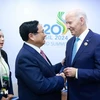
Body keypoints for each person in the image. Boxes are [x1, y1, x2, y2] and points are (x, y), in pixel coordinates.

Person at [15, 20, 66, 100]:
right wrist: (61, 79)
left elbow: (45, 71)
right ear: (31, 36)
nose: (45, 35)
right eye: (42, 32)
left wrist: (61, 64)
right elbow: (40, 85)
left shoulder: (33, 52)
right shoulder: (25, 57)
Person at [63, 9, 100, 100]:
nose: (67, 27)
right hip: (72, 95)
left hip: (90, 96)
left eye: (70, 23)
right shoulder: (70, 42)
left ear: (81, 20)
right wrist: (62, 73)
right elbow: (67, 65)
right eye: (66, 23)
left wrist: (77, 73)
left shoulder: (97, 40)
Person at [0, 29, 13, 100]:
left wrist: (7, 93)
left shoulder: (3, 54)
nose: (2, 39)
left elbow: (6, 75)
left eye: (3, 37)